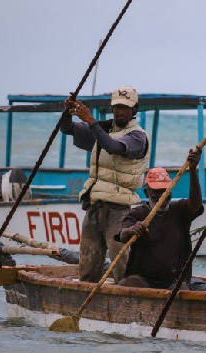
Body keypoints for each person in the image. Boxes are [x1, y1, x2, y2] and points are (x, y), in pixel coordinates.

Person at [61, 86, 149, 283]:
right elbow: (67, 128)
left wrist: (91, 121)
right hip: (94, 205)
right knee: (88, 261)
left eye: (125, 108)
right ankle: (88, 301)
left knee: (121, 262)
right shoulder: (103, 129)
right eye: (117, 107)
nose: (120, 111)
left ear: (134, 110)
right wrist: (68, 111)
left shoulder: (137, 136)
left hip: (119, 210)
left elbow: (113, 147)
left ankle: (127, 298)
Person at [116, 148, 204, 290]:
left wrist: (193, 171)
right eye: (156, 191)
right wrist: (133, 230)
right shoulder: (137, 214)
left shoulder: (180, 210)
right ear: (147, 192)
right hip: (142, 278)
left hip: (174, 280)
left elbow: (196, 203)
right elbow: (122, 235)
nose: (161, 196)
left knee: (181, 290)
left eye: (165, 191)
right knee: (125, 285)